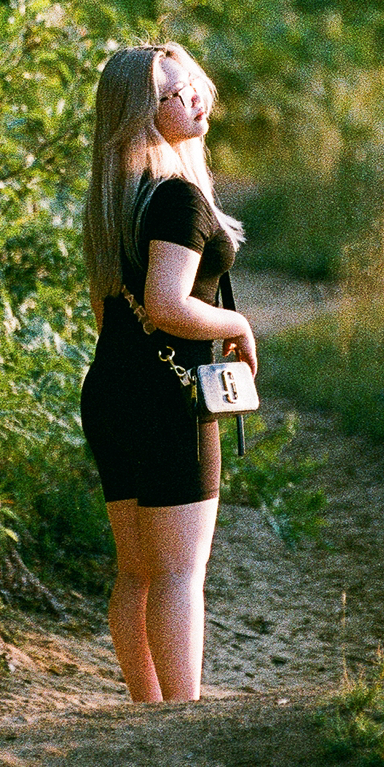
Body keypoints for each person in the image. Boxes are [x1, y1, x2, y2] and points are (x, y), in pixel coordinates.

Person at [80, 43, 255, 703]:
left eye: (194, 85)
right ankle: (180, 719)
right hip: (167, 394)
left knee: (137, 572)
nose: (194, 98)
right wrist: (236, 326)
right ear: (139, 115)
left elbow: (109, 310)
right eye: (173, 94)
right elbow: (167, 303)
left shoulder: (116, 200)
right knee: (180, 571)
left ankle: (147, 714)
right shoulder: (178, 197)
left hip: (111, 388)